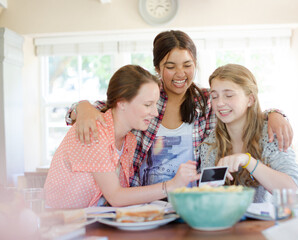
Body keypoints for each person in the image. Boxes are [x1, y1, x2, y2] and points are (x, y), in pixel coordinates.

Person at [65, 30, 293, 187]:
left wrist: (275, 114)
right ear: (157, 68)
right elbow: (106, 107)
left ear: (195, 64)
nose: (180, 74)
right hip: (145, 199)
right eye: (170, 66)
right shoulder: (146, 99)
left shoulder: (207, 100)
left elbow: (242, 108)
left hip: (192, 199)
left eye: (187, 65)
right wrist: (81, 107)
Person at [44, 65, 200, 209]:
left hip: (91, 223)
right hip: (59, 224)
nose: (155, 113)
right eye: (147, 104)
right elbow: (116, 197)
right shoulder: (95, 132)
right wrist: (171, 185)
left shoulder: (129, 140)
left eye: (156, 104)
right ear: (122, 103)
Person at [200, 64, 298, 203]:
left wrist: (248, 161)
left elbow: (293, 191)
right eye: (215, 96)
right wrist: (214, 180)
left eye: (228, 95)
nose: (219, 103)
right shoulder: (210, 144)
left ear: (250, 99)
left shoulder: (271, 135)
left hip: (270, 222)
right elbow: (207, 197)